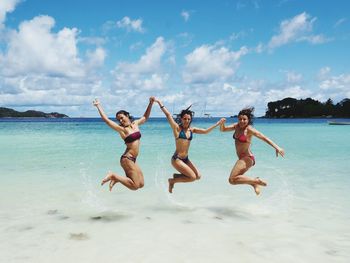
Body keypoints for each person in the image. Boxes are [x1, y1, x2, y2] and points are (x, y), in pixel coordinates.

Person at [154, 98, 224, 193]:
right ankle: (172, 181)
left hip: (185, 159)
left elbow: (205, 131)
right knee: (192, 177)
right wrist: (159, 102)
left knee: (198, 176)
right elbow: (168, 115)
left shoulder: (192, 130)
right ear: (181, 119)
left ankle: (177, 176)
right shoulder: (177, 128)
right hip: (177, 159)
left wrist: (217, 124)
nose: (187, 121)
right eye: (185, 119)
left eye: (189, 119)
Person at [93, 97, 155, 191]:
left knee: (141, 184)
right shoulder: (122, 130)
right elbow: (107, 120)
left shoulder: (135, 124)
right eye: (119, 120)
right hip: (127, 159)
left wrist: (150, 103)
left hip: (133, 159)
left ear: (127, 115)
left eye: (122, 118)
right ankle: (113, 175)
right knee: (135, 186)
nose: (121, 121)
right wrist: (98, 106)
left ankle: (117, 179)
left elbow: (145, 117)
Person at [220, 107, 284, 195]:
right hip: (242, 158)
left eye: (244, 119)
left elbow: (263, 137)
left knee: (232, 179)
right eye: (240, 119)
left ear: (248, 120)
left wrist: (277, 147)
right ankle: (254, 183)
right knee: (236, 179)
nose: (242, 121)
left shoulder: (249, 130)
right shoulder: (236, 126)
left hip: (247, 158)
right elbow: (223, 129)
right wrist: (222, 124)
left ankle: (256, 181)